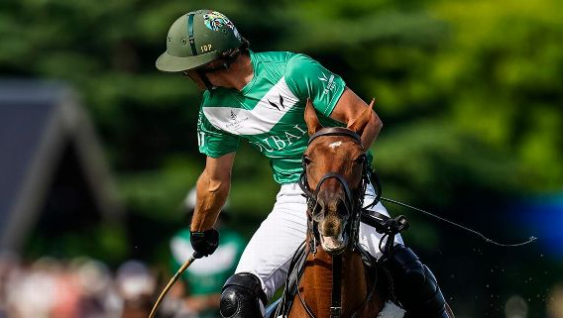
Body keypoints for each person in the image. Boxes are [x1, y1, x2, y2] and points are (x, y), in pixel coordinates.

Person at [156, 9, 448, 317]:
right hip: (295, 200)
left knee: (412, 279)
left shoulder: (294, 71)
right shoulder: (213, 109)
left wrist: (338, 180)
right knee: (236, 298)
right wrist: (201, 229)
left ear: (213, 61)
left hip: (351, 194)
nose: (186, 74)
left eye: (189, 67)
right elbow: (215, 181)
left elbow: (367, 120)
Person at [169, 189, 245, 317]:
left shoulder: (236, 244)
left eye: (210, 214)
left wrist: (206, 302)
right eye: (198, 214)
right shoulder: (179, 242)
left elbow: (241, 292)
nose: (203, 219)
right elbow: (179, 286)